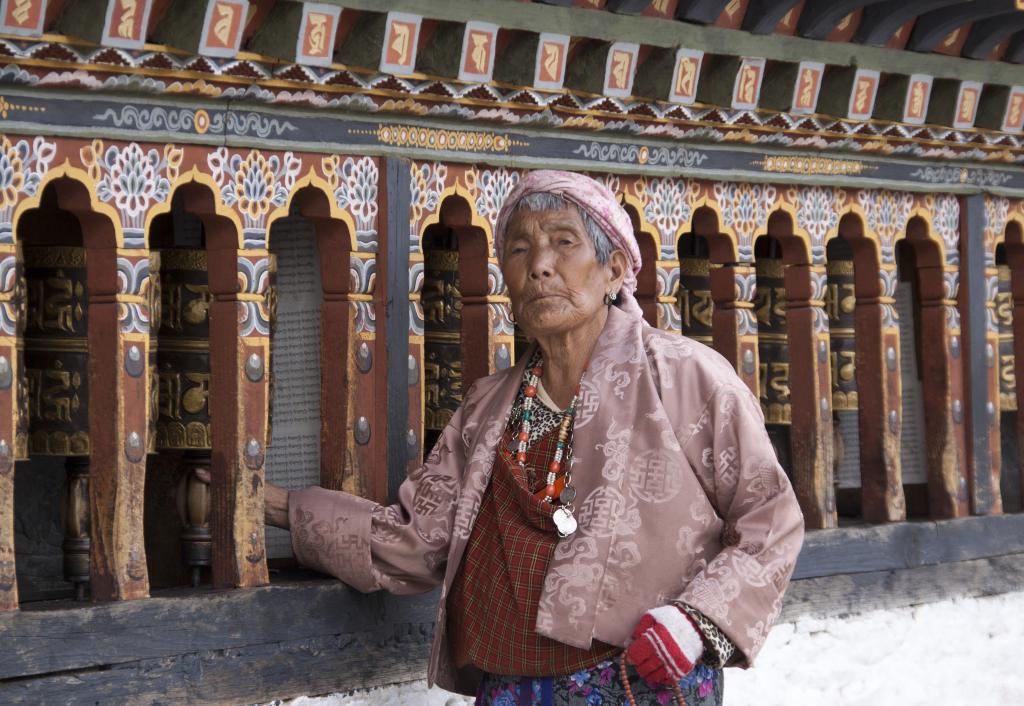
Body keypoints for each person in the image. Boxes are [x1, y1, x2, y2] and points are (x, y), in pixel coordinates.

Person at [263, 170, 805, 705]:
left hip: (638, 679)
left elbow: (770, 519)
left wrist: (695, 620)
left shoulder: (686, 377)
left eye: (562, 243)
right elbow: (420, 540)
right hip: (510, 684)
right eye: (520, 251)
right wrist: (283, 508)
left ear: (614, 268)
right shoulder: (488, 406)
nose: (540, 265)